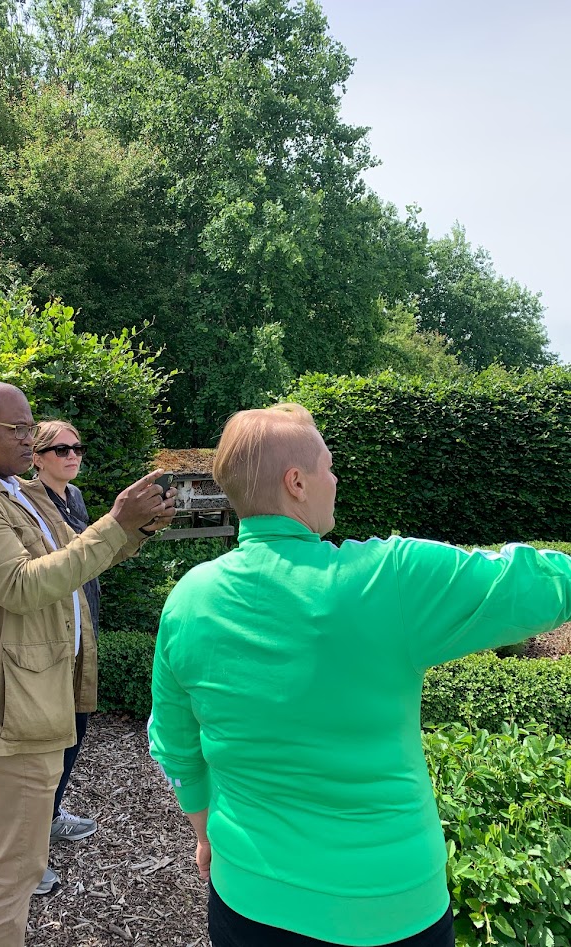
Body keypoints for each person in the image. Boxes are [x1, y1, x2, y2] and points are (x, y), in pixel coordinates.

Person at [148, 403, 571, 947]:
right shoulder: (390, 578)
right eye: (328, 466)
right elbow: (537, 585)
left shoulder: (188, 598)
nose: (336, 479)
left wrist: (205, 832)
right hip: (391, 907)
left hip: (248, 897)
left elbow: (176, 744)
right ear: (296, 482)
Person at [0, 380, 175, 947]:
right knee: (13, 872)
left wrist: (135, 526)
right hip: (9, 711)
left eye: (31, 427)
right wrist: (116, 524)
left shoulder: (11, 492)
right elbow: (22, 586)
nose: (28, 438)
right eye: (16, 429)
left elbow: (74, 556)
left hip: (27, 701)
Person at [29, 421, 101, 854]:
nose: (72, 455)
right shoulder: (26, 501)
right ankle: (27, 843)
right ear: (37, 458)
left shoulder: (74, 497)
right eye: (61, 449)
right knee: (47, 737)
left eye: (78, 447)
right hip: (50, 631)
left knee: (76, 724)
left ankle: (50, 816)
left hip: (82, 624)